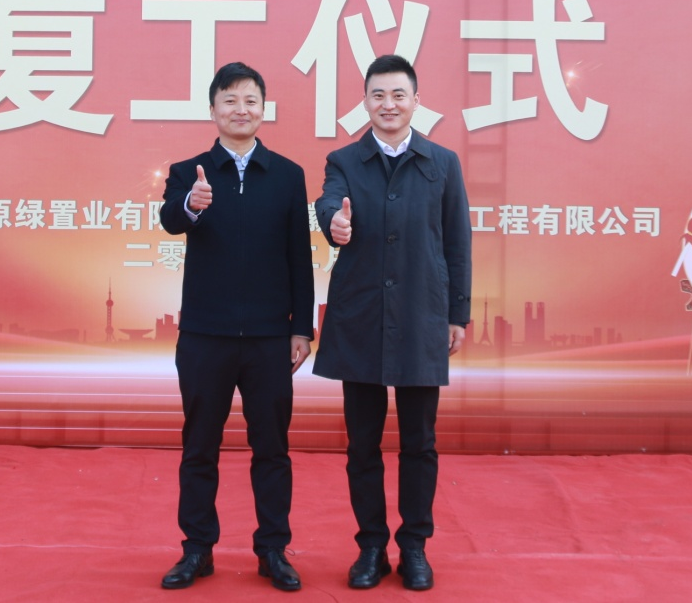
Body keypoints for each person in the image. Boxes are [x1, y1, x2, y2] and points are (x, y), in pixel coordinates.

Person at [313, 54, 472, 592]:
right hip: (361, 316)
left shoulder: (442, 163)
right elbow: (328, 204)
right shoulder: (343, 160)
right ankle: (372, 547)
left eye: (398, 94)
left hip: (422, 314)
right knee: (362, 444)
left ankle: (415, 547)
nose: (388, 104)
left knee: (419, 442)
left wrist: (456, 313)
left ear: (416, 101)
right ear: (364, 102)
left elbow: (457, 243)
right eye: (378, 95)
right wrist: (334, 222)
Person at [157, 62, 315, 592]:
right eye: (230, 100)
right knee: (199, 446)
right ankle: (196, 549)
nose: (240, 109)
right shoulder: (189, 172)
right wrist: (191, 204)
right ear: (213, 110)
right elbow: (170, 220)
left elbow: (299, 256)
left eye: (250, 100)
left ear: (263, 109)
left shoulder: (288, 175)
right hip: (206, 335)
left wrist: (301, 328)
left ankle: (272, 550)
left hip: (270, 337)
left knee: (272, 448)